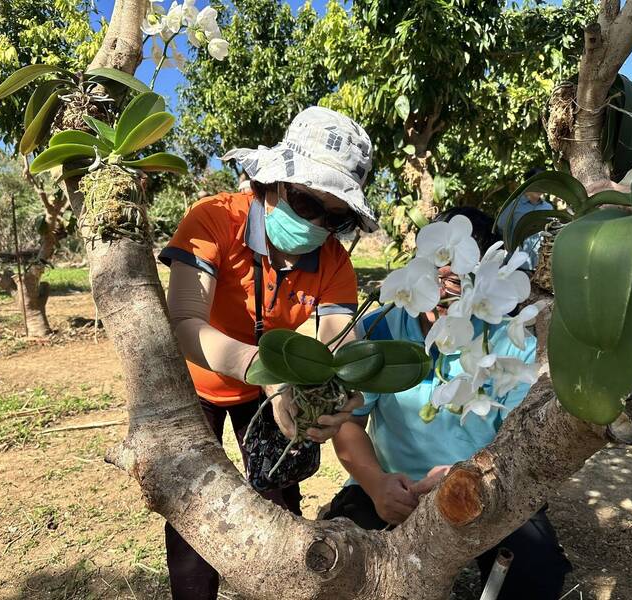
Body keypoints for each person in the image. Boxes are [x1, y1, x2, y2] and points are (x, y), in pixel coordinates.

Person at [158, 106, 376, 599]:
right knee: (195, 507)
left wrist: (334, 392)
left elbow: (337, 335)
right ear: (273, 182)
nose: (317, 223)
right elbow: (185, 323)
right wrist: (265, 370)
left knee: (279, 497)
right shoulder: (214, 219)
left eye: (335, 216)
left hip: (272, 387)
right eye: (305, 201)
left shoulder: (333, 261)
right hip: (199, 385)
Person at [324, 206, 572, 599]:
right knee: (340, 566)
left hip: (488, 485)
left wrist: (473, 476)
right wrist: (375, 484)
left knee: (536, 575)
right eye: (432, 275)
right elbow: (348, 423)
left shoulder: (509, 342)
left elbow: (523, 442)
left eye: (457, 282)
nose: (441, 292)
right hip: (392, 487)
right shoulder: (380, 330)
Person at [496, 167, 553, 270]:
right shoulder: (514, 205)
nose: (540, 187)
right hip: (515, 266)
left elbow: (551, 233)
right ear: (528, 183)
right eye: (537, 182)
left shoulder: (548, 208)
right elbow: (501, 226)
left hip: (539, 268)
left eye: (543, 183)